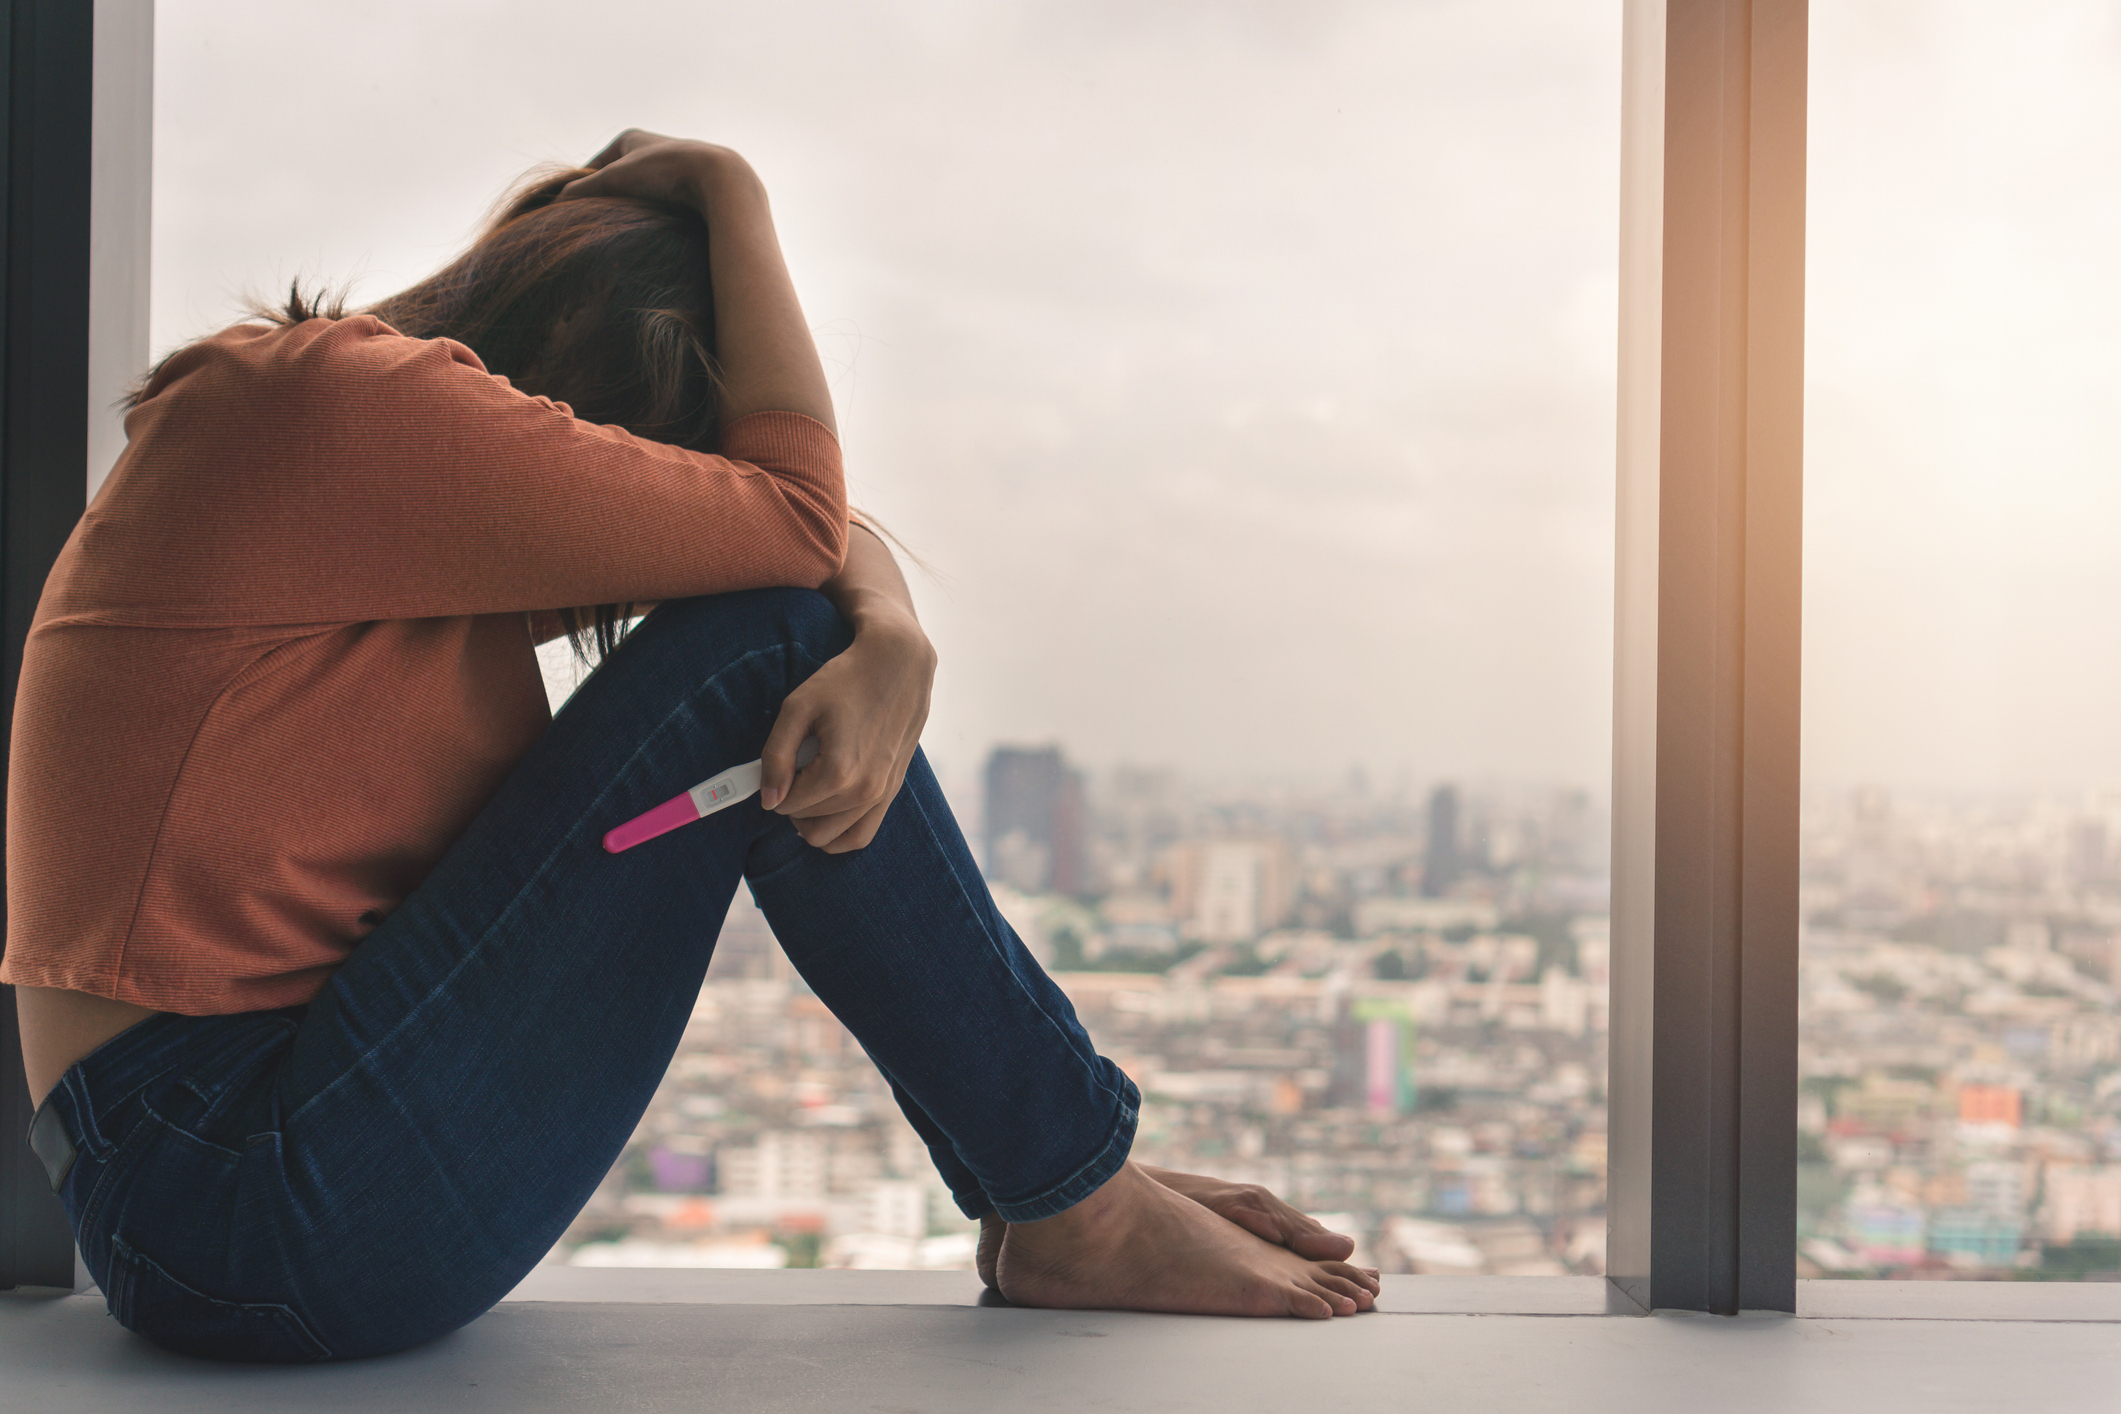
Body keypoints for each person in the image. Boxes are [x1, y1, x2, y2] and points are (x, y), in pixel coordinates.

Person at [5, 131, 1380, 1363]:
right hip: (231, 1183)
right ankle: (1070, 1199)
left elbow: (797, 538)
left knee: (779, 625)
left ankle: (1059, 1182)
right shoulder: (327, 408)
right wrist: (731, 182)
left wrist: (887, 624)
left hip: (236, 1178)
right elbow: (786, 531)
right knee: (769, 640)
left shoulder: (376, 493)